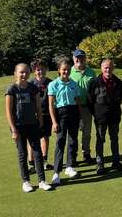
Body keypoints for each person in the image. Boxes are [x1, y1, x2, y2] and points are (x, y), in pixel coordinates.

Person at [5, 63, 52, 192]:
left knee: (37, 152)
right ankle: (26, 181)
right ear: (15, 73)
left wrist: (41, 122)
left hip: (33, 124)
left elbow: (38, 107)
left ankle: (42, 180)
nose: (24, 74)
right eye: (21, 72)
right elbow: (8, 112)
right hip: (18, 126)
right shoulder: (11, 89)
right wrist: (13, 129)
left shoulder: (33, 88)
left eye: (26, 72)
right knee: (22, 154)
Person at [87, 59, 122, 175]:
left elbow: (119, 99)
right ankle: (100, 163)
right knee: (100, 139)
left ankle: (116, 161)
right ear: (101, 68)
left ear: (113, 68)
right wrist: (96, 113)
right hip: (100, 117)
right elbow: (90, 100)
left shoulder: (118, 82)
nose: (108, 70)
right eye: (105, 67)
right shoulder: (94, 82)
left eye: (110, 67)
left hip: (114, 115)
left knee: (114, 138)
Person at [49, 58, 82, 186]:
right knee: (61, 141)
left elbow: (78, 102)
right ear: (59, 70)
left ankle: (69, 166)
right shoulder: (53, 85)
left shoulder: (74, 84)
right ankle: (56, 172)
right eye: (63, 69)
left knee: (73, 141)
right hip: (60, 114)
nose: (66, 71)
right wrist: (54, 122)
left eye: (68, 69)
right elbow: (51, 105)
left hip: (73, 112)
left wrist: (80, 119)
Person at [69, 49, 96, 164]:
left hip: (86, 107)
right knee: (73, 133)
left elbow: (95, 90)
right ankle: (72, 157)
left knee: (86, 132)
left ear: (85, 58)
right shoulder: (68, 72)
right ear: (73, 59)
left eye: (81, 57)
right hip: (73, 107)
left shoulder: (91, 72)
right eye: (77, 57)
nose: (79, 59)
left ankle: (86, 154)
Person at [27, 59, 54, 171]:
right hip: (33, 115)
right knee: (32, 138)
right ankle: (31, 163)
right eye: (38, 70)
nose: (40, 71)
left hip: (46, 114)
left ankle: (44, 161)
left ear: (46, 69)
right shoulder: (30, 84)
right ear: (34, 71)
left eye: (42, 69)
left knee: (45, 137)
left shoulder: (51, 83)